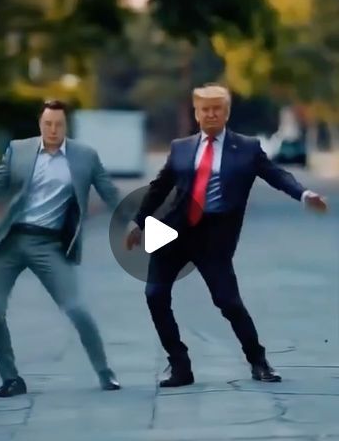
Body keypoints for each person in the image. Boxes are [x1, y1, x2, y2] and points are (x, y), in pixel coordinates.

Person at [126, 85, 328, 387]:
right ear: (196, 113)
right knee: (155, 296)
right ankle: (179, 364)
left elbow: (276, 175)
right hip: (172, 231)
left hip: (213, 237)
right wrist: (138, 223)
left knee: (228, 302)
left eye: (216, 109)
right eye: (204, 109)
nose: (210, 114)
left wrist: (303, 193)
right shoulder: (181, 147)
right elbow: (159, 187)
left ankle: (258, 361)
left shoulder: (246, 148)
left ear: (226, 112)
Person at [0, 99, 121, 397]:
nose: (52, 130)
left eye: (58, 124)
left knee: (76, 308)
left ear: (66, 126)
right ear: (40, 124)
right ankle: (11, 379)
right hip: (11, 239)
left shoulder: (84, 157)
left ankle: (105, 373)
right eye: (47, 124)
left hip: (49, 244)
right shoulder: (19, 150)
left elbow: (110, 194)